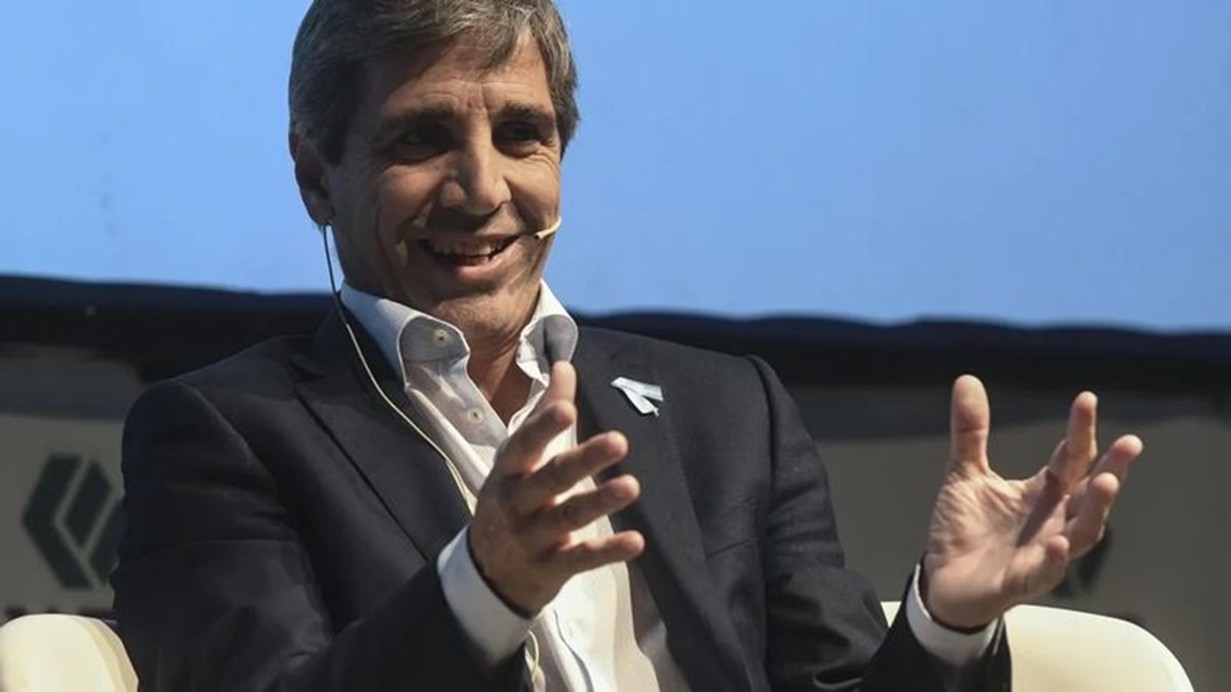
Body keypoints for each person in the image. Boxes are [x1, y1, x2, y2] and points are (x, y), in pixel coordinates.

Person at [112, 1, 1143, 690]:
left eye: (522, 135)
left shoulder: (726, 411)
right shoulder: (223, 432)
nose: (482, 189)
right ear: (314, 175)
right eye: (420, 139)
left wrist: (945, 624)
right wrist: (481, 592)